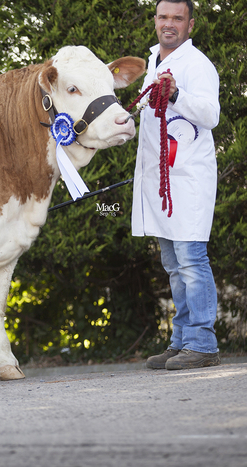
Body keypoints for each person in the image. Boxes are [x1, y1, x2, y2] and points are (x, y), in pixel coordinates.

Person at [131, 0, 221, 370]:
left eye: (177, 18)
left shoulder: (197, 65)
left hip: (187, 178)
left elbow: (211, 114)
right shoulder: (155, 60)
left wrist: (179, 95)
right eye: (163, 17)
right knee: (172, 262)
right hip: (161, 178)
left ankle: (202, 343)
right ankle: (182, 340)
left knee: (191, 259)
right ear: (155, 21)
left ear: (190, 24)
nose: (169, 24)